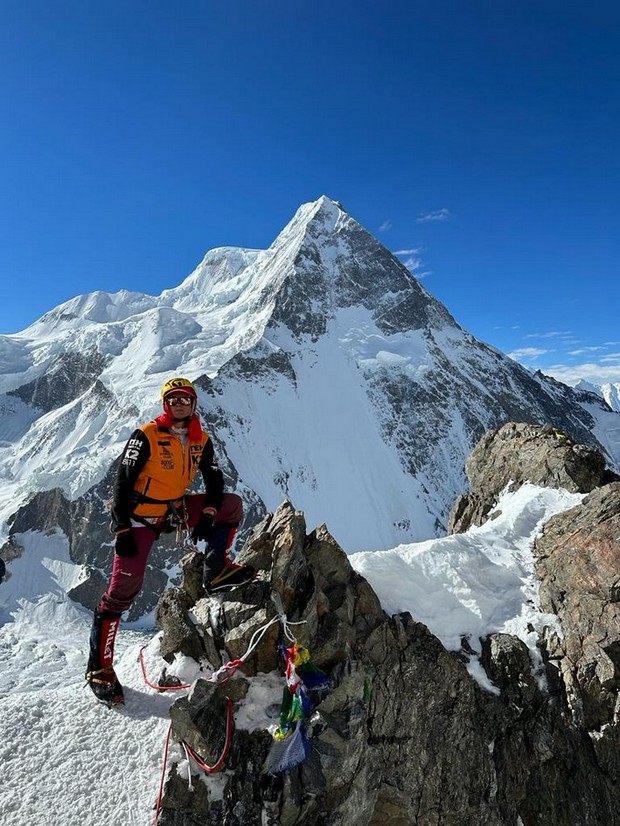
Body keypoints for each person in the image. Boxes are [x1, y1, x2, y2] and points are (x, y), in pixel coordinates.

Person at [85, 376, 254, 706]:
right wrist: (121, 529)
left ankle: (216, 570)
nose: (179, 405)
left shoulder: (199, 440)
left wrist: (206, 512)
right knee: (122, 590)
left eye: (184, 400)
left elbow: (215, 479)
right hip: (139, 518)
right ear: (166, 404)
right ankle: (99, 667)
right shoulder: (146, 434)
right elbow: (123, 479)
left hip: (173, 511)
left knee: (231, 506)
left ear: (192, 404)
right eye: (173, 400)